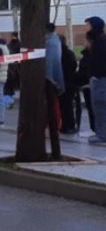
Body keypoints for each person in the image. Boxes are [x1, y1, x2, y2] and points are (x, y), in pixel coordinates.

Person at [42, 24, 64, 158]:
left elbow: (50, 62)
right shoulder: (55, 41)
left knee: (51, 105)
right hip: (52, 79)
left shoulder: (50, 43)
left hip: (49, 81)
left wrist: (49, 77)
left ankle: (53, 126)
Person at [86, 16, 106, 144]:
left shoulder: (100, 42)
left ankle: (102, 134)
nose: (86, 28)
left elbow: (99, 61)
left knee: (100, 106)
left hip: (100, 79)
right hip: (98, 78)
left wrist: (96, 75)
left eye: (88, 25)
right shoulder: (98, 40)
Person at [76, 35, 97, 135]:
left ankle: (96, 129)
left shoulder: (90, 56)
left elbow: (84, 70)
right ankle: (95, 128)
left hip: (89, 85)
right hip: (87, 85)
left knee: (93, 109)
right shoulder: (88, 55)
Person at [60, 33, 79, 135]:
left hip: (64, 82)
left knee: (64, 105)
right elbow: (74, 65)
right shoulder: (69, 52)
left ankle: (66, 125)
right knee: (68, 105)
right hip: (70, 82)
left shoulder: (60, 53)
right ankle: (69, 125)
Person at [4, 31, 22, 107]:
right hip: (16, 68)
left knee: (8, 86)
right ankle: (9, 101)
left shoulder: (9, 45)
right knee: (10, 86)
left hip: (11, 68)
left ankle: (8, 102)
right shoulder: (20, 44)